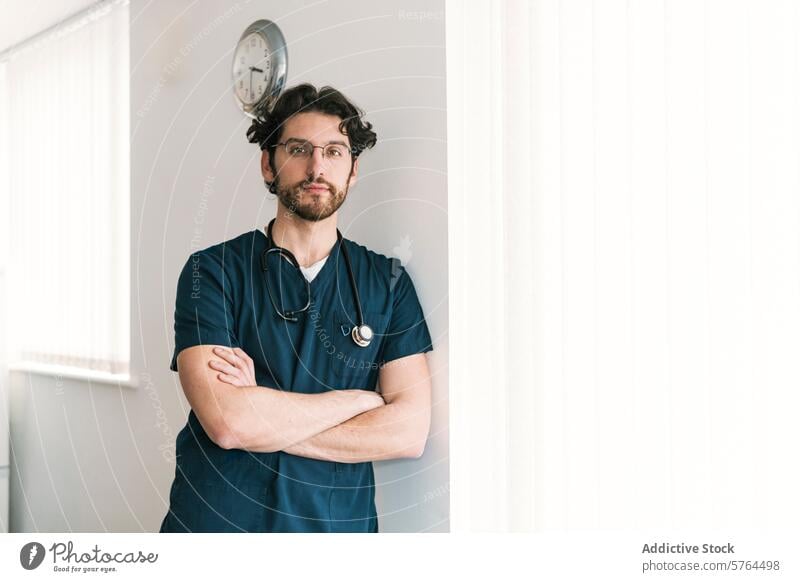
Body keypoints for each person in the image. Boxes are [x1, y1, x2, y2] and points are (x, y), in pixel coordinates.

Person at [159, 83, 433, 533]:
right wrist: (357, 402)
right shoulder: (211, 272)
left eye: (334, 151)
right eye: (299, 149)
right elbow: (228, 422)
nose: (317, 166)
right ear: (269, 165)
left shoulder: (388, 283)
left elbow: (408, 432)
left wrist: (262, 417)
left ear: (353, 170)